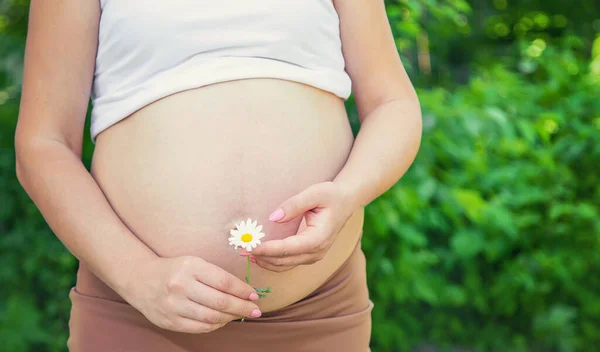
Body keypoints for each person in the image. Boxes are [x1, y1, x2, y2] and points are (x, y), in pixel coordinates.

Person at [14, 0, 422, 351]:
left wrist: (348, 192)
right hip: (138, 313)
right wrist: (137, 275)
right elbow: (43, 143)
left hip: (316, 312)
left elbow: (393, 103)